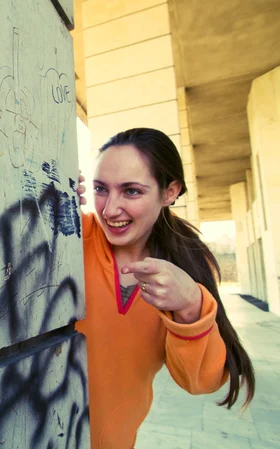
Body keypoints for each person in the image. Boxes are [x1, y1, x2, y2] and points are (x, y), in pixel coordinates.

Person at [74, 127, 255, 449]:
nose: (110, 209)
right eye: (101, 189)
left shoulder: (188, 265)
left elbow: (201, 382)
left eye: (131, 191)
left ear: (170, 192)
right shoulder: (71, 237)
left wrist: (189, 307)